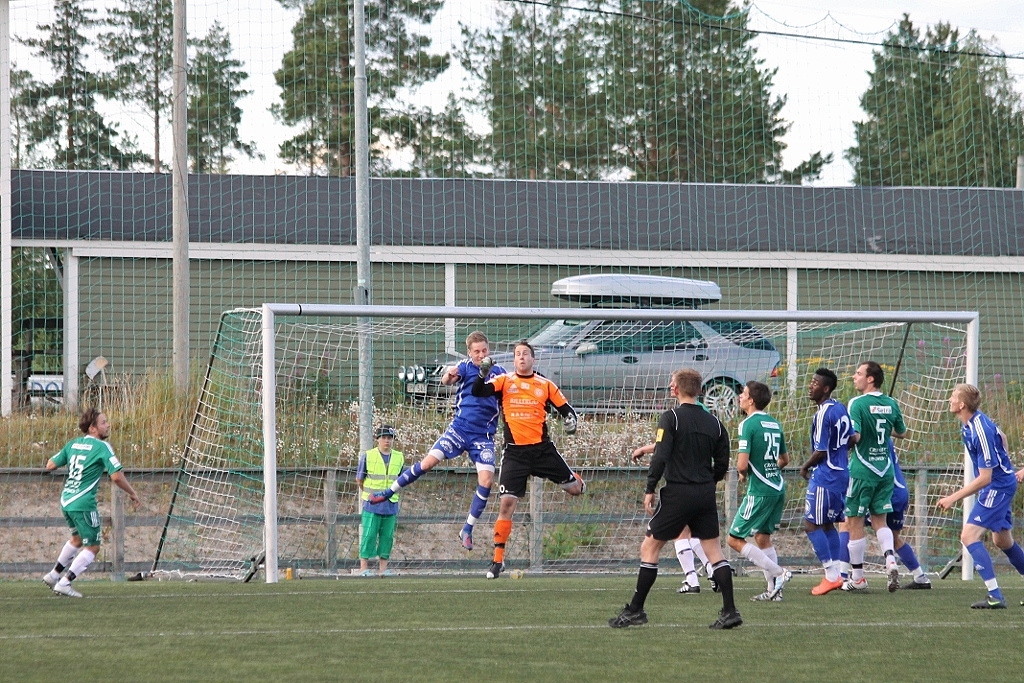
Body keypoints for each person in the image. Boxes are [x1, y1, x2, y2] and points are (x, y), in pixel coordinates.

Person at [609, 368, 741, 630]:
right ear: (700, 390)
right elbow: (722, 463)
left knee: (650, 547)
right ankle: (730, 611)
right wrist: (706, 482)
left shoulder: (671, 418)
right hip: (704, 494)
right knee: (714, 551)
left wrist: (650, 487)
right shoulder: (715, 423)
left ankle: (636, 610)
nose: (670, 387)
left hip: (678, 493)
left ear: (678, 389)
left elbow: (661, 455)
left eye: (672, 383)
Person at [370, 331, 505, 551]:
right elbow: (447, 379)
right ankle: (388, 492)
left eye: (484, 351)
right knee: (427, 463)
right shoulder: (464, 366)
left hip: (484, 436)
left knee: (487, 481)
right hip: (459, 430)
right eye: (477, 352)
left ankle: (467, 529)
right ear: (469, 353)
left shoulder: (498, 372)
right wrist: (449, 375)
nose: (481, 355)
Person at [471, 340, 584, 579]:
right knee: (506, 505)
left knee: (575, 490)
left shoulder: (545, 384)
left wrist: (571, 422)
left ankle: (575, 478)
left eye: (525, 354)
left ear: (533, 359)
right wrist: (482, 374)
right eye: (517, 354)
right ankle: (497, 560)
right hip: (515, 454)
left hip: (543, 451)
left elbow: (567, 410)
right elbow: (478, 391)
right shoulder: (504, 381)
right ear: (514, 360)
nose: (521, 357)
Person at [939, 384, 1024, 608]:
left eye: (953, 396)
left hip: (997, 487)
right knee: (1002, 540)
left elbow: (986, 478)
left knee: (968, 536)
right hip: (998, 484)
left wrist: (952, 497)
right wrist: (1005, 462)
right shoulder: (970, 423)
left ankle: (995, 596)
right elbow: (1002, 436)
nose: (950, 399)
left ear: (962, 405)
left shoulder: (980, 430)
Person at [43, 408, 141, 597]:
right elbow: (116, 476)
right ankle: (65, 582)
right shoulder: (102, 447)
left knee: (77, 539)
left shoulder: (73, 444)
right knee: (93, 546)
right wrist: (132, 492)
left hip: (67, 500)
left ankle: (53, 575)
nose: (108, 425)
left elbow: (50, 465)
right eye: (104, 422)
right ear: (92, 428)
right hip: (83, 502)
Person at [726, 381, 793, 602]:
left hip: (761, 491)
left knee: (734, 539)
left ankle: (779, 573)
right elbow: (784, 460)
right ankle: (774, 591)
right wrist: (770, 470)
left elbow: (742, 465)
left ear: (751, 400)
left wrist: (743, 473)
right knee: (762, 537)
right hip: (777, 487)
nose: (740, 396)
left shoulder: (747, 424)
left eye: (743, 393)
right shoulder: (774, 423)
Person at [843, 361, 906, 593]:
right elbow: (901, 432)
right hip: (885, 470)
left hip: (862, 469)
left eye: (858, 373)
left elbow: (856, 436)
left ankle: (858, 577)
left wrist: (841, 441)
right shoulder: (891, 403)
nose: (854, 376)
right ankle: (890, 560)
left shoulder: (857, 403)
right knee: (880, 520)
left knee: (854, 521)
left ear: (870, 379)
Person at [632, 442, 713, 594]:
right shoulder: (702, 428)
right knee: (689, 531)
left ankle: (693, 579)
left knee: (671, 535)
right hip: (701, 486)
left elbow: (666, 445)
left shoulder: (676, 427)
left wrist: (643, 450)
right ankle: (710, 569)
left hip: (680, 487)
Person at [799, 368, 851, 596]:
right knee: (828, 524)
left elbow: (820, 450)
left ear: (826, 388)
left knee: (811, 525)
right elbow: (853, 438)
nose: (810, 386)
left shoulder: (823, 413)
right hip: (841, 474)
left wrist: (805, 466)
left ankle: (830, 575)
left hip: (826, 475)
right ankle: (837, 574)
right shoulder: (840, 408)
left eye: (815, 383)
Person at [356, 425, 407, 576]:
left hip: (391, 503)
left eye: (389, 438)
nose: (387, 441)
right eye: (384, 437)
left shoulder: (399, 457)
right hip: (372, 504)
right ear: (377, 439)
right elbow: (359, 479)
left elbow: (401, 478)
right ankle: (363, 567)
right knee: (369, 534)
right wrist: (370, 494)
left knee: (387, 537)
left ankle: (383, 569)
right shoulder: (368, 455)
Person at [883, 440, 932, 589]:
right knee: (893, 537)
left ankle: (846, 576)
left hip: (887, 492)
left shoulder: (875, 438)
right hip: (900, 491)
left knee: (850, 525)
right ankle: (920, 577)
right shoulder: (886, 437)